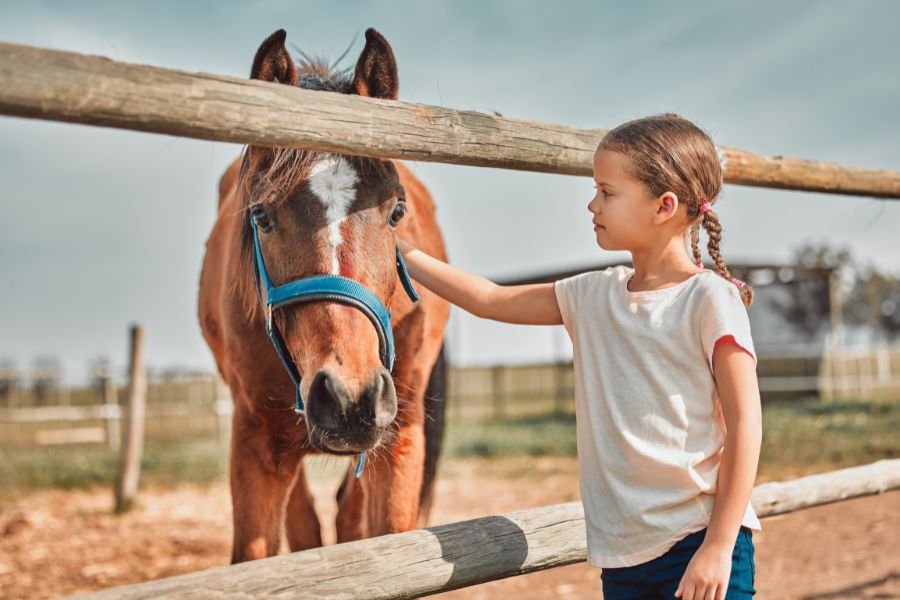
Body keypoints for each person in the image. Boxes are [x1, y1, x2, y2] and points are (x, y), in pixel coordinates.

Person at [396, 113, 761, 599]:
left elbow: (746, 425)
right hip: (622, 556)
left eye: (608, 192)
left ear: (664, 206)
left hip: (700, 543)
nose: (593, 203)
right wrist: (398, 249)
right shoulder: (593, 294)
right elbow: (488, 298)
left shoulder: (710, 300)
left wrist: (717, 546)